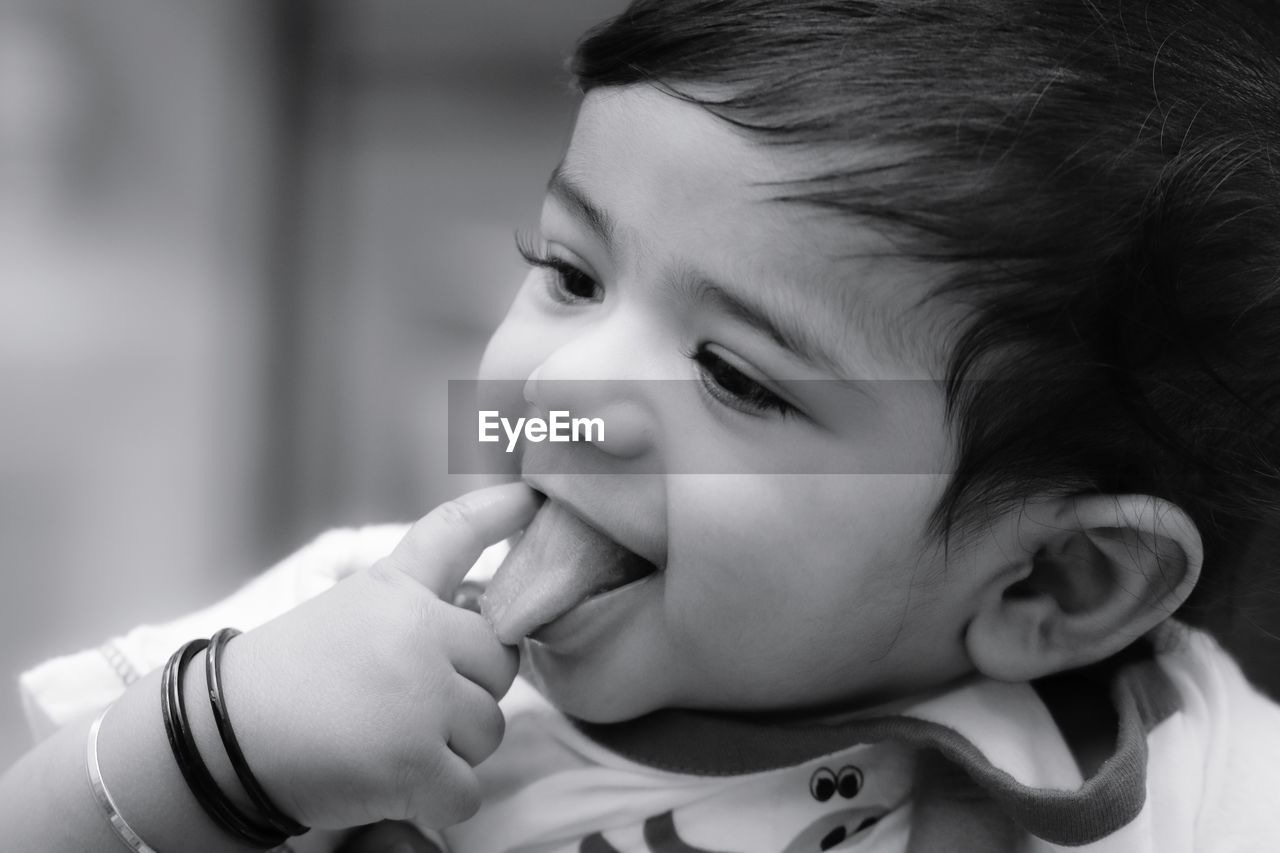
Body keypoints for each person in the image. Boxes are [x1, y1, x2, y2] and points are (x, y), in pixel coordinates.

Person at [6, 0, 1280, 850]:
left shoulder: (1196, 782)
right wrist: (212, 748)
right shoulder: (331, 643)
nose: (561, 392)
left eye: (734, 375)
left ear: (1052, 577)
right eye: (567, 272)